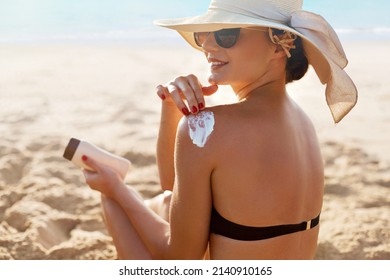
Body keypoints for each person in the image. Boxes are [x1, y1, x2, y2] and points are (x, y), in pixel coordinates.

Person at [81, 0, 357, 259]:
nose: (208, 45)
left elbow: (179, 259)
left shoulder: (209, 129)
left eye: (227, 34)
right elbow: (175, 191)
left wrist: (117, 188)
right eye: (205, 33)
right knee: (164, 203)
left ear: (278, 46)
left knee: (115, 202)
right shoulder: (302, 122)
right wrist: (172, 107)